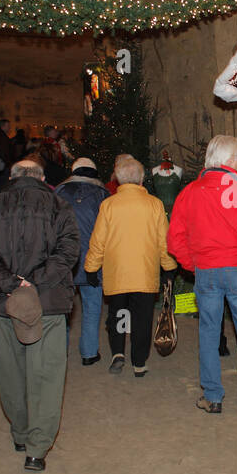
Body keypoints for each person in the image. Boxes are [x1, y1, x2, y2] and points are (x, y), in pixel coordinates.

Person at [0, 160, 81, 472]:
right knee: (46, 373)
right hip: (47, 301)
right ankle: (37, 447)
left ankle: (20, 432)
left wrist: (11, 283)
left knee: (10, 368)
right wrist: (35, 281)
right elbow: (69, 251)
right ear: (42, 178)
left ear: (12, 178)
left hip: (0, 301)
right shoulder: (60, 206)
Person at [167, 135, 237, 413]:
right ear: (226, 159)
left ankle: (213, 397)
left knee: (209, 333)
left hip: (207, 271)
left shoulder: (190, 192)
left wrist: (194, 264)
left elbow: (175, 239)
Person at [84, 155, 176, 377]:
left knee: (118, 313)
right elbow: (164, 241)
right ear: (142, 179)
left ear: (118, 179)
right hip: (144, 273)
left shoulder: (108, 205)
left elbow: (98, 241)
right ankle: (138, 361)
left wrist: (90, 268)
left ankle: (118, 352)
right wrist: (169, 266)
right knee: (142, 318)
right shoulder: (154, 205)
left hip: (117, 272)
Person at [55, 158, 109, 366]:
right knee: (92, 307)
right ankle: (89, 352)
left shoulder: (58, 193)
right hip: (92, 263)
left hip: (63, 262)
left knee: (62, 309)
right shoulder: (102, 195)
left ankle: (60, 351)